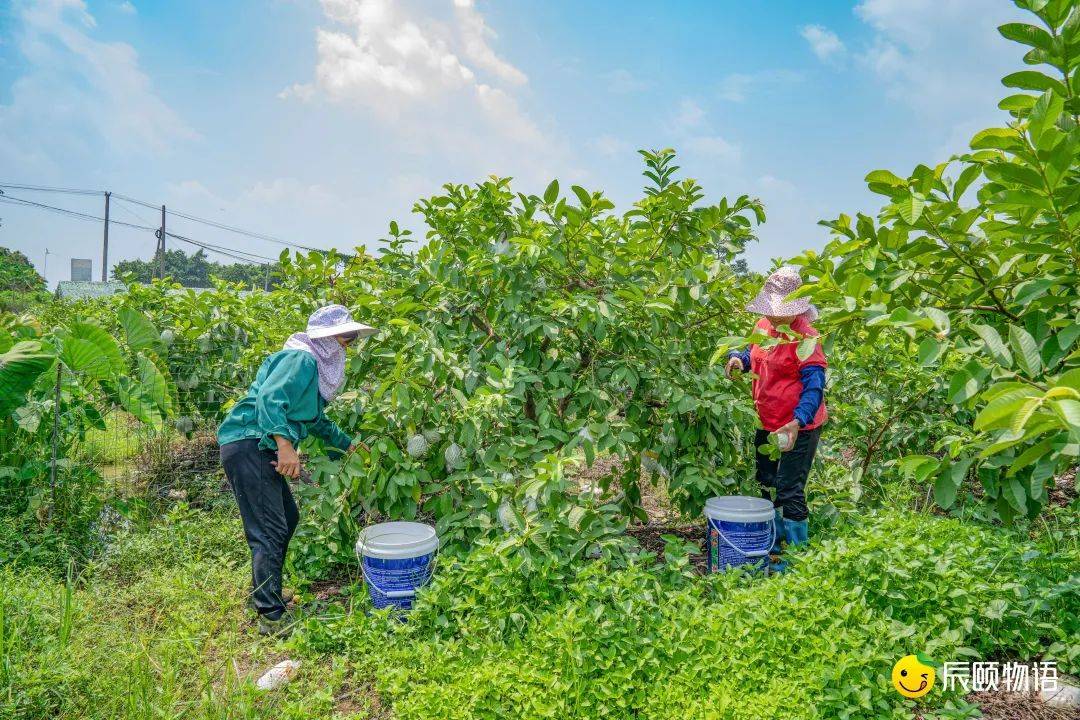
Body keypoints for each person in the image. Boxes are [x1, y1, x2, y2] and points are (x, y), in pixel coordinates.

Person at [217, 304, 377, 635]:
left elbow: (313, 419)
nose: (348, 344)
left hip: (259, 444)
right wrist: (286, 446)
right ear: (327, 338)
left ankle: (263, 593)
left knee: (286, 519)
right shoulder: (301, 359)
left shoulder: (311, 367)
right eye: (344, 337)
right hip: (249, 442)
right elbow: (270, 401)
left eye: (350, 339)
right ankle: (270, 616)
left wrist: (347, 443)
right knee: (270, 529)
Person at [725, 266, 827, 570]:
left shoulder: (806, 338)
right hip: (766, 420)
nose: (773, 315)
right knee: (766, 480)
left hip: (799, 424)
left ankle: (796, 553)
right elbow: (753, 353)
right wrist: (738, 359)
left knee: (789, 487)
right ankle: (774, 543)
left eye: (779, 311)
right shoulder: (763, 326)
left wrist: (797, 421)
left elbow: (814, 385)